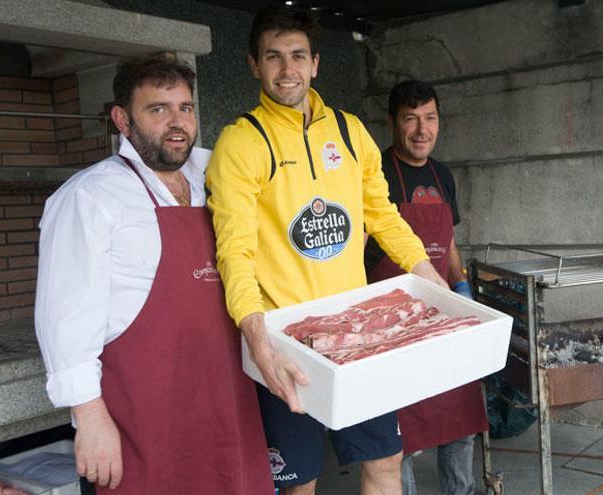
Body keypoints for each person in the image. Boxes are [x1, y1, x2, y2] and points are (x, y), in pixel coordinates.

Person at [205, 7, 448, 495]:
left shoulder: (350, 132)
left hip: (357, 334)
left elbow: (382, 216)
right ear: (254, 66)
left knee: (385, 459)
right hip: (286, 341)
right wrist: (257, 340)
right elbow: (234, 251)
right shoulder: (239, 144)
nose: (287, 69)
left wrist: (428, 275)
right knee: (300, 482)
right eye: (273, 57)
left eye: (297, 56)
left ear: (315, 63)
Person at [34, 54, 274, 495]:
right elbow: (65, 320)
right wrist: (89, 418)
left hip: (228, 400)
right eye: (158, 109)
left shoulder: (213, 175)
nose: (177, 122)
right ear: (122, 120)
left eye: (185, 107)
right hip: (143, 416)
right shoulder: (88, 198)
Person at [364, 80, 489, 495]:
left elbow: (448, 241)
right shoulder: (376, 173)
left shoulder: (443, 174)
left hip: (443, 315)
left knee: (460, 423)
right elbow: (358, 246)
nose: (422, 130)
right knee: (400, 436)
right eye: (411, 119)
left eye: (430, 118)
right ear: (392, 123)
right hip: (393, 324)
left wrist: (461, 282)